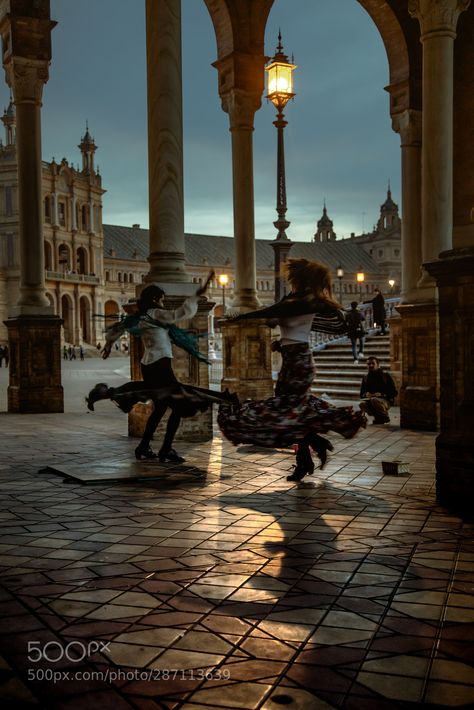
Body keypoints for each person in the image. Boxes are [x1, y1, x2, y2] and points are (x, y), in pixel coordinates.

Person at [217, 258, 366, 482]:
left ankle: (309, 454)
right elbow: (282, 318)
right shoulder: (295, 300)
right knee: (293, 412)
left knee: (290, 411)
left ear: (302, 279)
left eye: (293, 277)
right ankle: (312, 450)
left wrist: (242, 316)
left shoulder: (307, 301)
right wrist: (280, 340)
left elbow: (276, 311)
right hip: (290, 360)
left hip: (300, 363)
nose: (290, 280)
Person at [86, 272, 238, 462]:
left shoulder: (140, 316)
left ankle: (143, 445)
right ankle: (166, 449)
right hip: (160, 364)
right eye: (162, 300)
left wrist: (108, 346)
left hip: (148, 364)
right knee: (179, 403)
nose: (163, 303)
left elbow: (119, 328)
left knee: (160, 408)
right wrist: (195, 296)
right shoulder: (156, 314)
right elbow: (178, 314)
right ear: (156, 299)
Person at [359, 356, 397, 424]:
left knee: (374, 400)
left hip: (385, 401)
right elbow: (361, 394)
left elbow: (394, 392)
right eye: (369, 364)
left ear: (378, 365)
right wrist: (366, 394)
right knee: (362, 404)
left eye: (373, 363)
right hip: (371, 401)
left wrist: (382, 394)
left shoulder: (385, 376)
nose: (371, 365)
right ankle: (378, 417)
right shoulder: (366, 377)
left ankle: (384, 416)